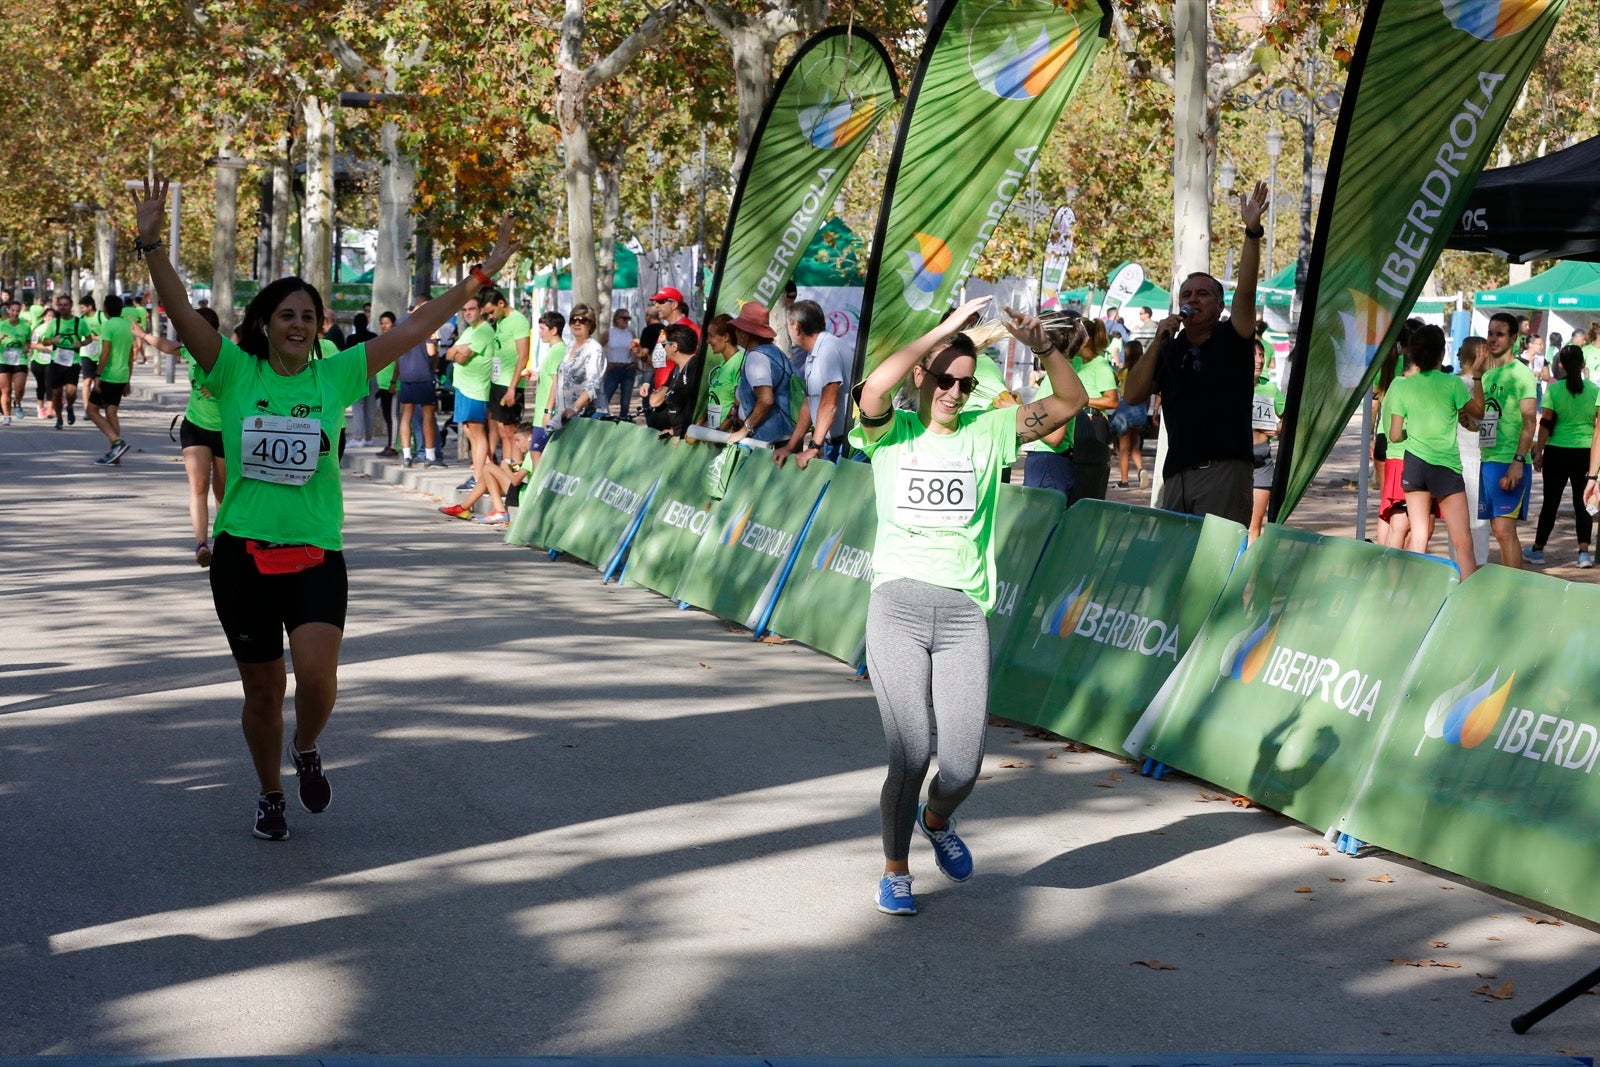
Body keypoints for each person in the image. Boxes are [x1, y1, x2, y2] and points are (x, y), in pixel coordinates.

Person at [131, 174, 514, 840]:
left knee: (316, 675)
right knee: (261, 693)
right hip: (243, 554)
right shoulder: (233, 371)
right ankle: (270, 791)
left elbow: (422, 322)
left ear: (319, 327)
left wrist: (484, 273)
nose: (300, 324)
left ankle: (307, 745)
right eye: (288, 315)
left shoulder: (334, 373)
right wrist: (150, 244)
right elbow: (183, 314)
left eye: (309, 316)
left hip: (315, 554)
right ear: (266, 324)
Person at [851, 295, 1087, 916]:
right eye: (944, 380)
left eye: (965, 382)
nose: (955, 392)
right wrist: (951, 330)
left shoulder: (989, 432)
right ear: (923, 379)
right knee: (910, 751)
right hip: (896, 607)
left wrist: (1045, 348)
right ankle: (895, 869)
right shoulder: (889, 433)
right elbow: (876, 385)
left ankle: (937, 817)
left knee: (961, 765)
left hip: (961, 615)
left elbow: (1069, 405)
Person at [1122, 181, 1269, 523]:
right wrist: (1158, 340)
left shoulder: (1233, 336)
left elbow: (1246, 292)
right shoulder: (1170, 349)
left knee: (1214, 569)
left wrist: (1252, 232)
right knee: (1175, 564)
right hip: (1176, 476)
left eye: (1202, 294)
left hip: (1224, 472)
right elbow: (1131, 395)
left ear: (1219, 305)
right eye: (1186, 295)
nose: (1192, 300)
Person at [137, 309, 227, 565]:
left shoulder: (229, 353)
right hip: (195, 426)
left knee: (222, 493)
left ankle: (223, 543)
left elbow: (248, 380)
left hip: (225, 430)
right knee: (199, 488)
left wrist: (221, 388)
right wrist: (143, 335)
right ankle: (201, 545)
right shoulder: (190, 350)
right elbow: (168, 347)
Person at [1389, 324, 1476, 579]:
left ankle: (1409, 593)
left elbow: (1394, 435)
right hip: (1445, 467)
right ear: (1442, 354)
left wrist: (1411, 434)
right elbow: (1476, 412)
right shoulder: (1452, 383)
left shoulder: (1403, 386)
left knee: (1418, 535)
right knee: (1463, 542)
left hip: (1414, 464)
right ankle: (1467, 599)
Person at [1464, 311, 1537, 569]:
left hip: (1510, 461)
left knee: (1505, 531)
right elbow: (1485, 417)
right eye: (1490, 333)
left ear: (1514, 338)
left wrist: (1518, 460)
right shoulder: (1488, 375)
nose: (1493, 339)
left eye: (1500, 334)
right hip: (1489, 460)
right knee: (1498, 529)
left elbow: (1530, 420)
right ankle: (1510, 584)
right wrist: (1471, 423)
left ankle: (1513, 588)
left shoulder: (1522, 374)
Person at [1528, 345, 1597, 567]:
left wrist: (1539, 452)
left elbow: (1546, 422)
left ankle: (1538, 550)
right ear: (1583, 363)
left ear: (1561, 365)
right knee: (1583, 503)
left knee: (1550, 503)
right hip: (1585, 453)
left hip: (1557, 452)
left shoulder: (1554, 390)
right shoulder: (1594, 390)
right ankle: (1583, 554)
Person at [776, 299, 852, 466]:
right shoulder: (813, 353)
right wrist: (790, 447)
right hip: (832, 444)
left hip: (849, 446)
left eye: (787, 325)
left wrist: (813, 446)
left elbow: (828, 404)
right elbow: (808, 405)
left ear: (796, 326)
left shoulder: (828, 349)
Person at [721, 301, 796, 446]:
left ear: (745, 333)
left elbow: (766, 400)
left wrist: (745, 429)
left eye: (737, 329)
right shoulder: (774, 351)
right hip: (784, 435)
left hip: (770, 441)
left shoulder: (756, 357)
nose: (735, 333)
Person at [446, 294, 496, 495]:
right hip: (463, 388)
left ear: (480, 310)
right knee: (469, 432)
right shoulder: (469, 331)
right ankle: (479, 473)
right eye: (465, 310)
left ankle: (478, 477)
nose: (468, 313)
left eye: (472, 309)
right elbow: (450, 354)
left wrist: (458, 351)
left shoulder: (483, 331)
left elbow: (462, 357)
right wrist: (458, 349)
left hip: (475, 389)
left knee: (477, 433)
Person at [1067, 317, 1118, 503]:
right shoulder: (1075, 362)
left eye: (1073, 336)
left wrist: (1083, 401)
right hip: (1075, 424)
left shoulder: (1100, 365)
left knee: (1090, 483)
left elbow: (1112, 401)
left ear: (1084, 339)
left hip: (1093, 425)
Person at [84, 294, 136, 464]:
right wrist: (128, 379)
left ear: (105, 309)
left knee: (91, 410)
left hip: (108, 375)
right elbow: (130, 354)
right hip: (122, 375)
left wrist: (97, 374)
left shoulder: (108, 325)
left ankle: (116, 442)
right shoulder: (128, 325)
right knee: (111, 412)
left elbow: (105, 352)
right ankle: (116, 455)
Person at [483, 288, 531, 467]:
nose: (490, 316)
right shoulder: (500, 321)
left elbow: (523, 356)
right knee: (502, 430)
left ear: (501, 303)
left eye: (491, 311)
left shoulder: (518, 321)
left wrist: (512, 388)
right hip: (497, 381)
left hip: (510, 383)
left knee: (511, 431)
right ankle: (506, 468)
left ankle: (515, 473)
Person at [1247, 337, 1286, 543]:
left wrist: (1277, 428)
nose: (1259, 360)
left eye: (1261, 355)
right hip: (1235, 461)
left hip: (1262, 461)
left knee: (1254, 525)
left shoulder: (1270, 389)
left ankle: (1247, 574)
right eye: (1254, 355)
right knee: (1233, 522)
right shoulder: (1231, 386)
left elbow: (1286, 421)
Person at [394, 310, 445, 468]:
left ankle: (407, 455)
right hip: (423, 375)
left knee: (406, 415)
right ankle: (430, 456)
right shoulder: (427, 324)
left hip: (406, 375)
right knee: (428, 415)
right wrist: (435, 362)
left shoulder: (401, 322)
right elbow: (431, 351)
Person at [34, 293, 91, 429]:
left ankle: (70, 406)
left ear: (71, 306)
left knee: (71, 392)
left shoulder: (80, 322)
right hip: (56, 361)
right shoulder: (54, 322)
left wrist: (81, 344)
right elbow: (44, 339)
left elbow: (89, 337)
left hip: (73, 361)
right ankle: (59, 419)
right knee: (57, 393)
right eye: (60, 305)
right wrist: (52, 340)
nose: (63, 307)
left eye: (65, 305)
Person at [544, 303, 604, 431]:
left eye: (582, 320)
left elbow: (592, 386)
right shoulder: (570, 346)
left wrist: (574, 408)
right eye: (573, 320)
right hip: (564, 416)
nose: (577, 323)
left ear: (590, 324)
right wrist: (549, 411)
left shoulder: (594, 349)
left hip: (587, 417)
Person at [643, 322, 703, 439]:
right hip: (675, 432)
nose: (663, 348)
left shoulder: (694, 367)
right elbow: (655, 401)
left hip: (687, 439)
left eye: (665, 344)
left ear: (674, 346)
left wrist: (683, 432)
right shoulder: (676, 368)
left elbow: (700, 406)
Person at [1111, 339, 1149, 489]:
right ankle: (1141, 469)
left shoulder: (1123, 373)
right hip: (1139, 411)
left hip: (1125, 412)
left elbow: (1116, 387)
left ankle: (1124, 481)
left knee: (1123, 449)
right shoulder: (1144, 373)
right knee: (1134, 446)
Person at [701, 314, 743, 430]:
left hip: (726, 435)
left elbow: (738, 403)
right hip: (714, 432)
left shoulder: (739, 362)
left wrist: (722, 430)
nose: (708, 341)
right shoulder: (722, 363)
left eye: (711, 336)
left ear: (725, 337)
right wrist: (699, 425)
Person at [601, 307, 637, 419]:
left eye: (628, 318)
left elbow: (636, 349)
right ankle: (602, 418)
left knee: (625, 401)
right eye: (624, 318)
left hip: (628, 368)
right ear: (616, 319)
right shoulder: (609, 333)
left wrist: (635, 362)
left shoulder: (631, 333)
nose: (626, 321)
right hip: (614, 368)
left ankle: (623, 420)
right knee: (606, 396)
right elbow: (598, 348)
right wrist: (606, 363)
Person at [373, 312, 400, 458]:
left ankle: (393, 445)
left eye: (387, 323)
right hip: (382, 385)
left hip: (392, 386)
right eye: (382, 323)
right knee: (387, 417)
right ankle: (390, 443)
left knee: (393, 417)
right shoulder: (381, 340)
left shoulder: (396, 341)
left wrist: (393, 382)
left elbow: (398, 363)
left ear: (393, 324)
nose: (384, 326)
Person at [0, 300, 31, 424]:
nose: (15, 313)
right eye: (12, 310)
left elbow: (28, 342)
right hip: (3, 360)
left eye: (17, 311)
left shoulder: (25, 326)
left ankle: (17, 402)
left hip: (20, 360)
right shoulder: (1, 325)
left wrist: (27, 348)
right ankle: (7, 417)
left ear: (20, 311)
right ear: (9, 311)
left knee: (19, 388)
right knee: (5, 390)